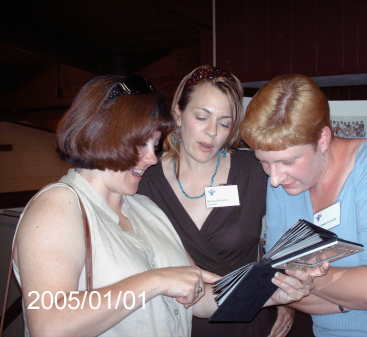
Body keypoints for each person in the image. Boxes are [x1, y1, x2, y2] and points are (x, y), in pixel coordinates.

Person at [12, 74, 324, 337]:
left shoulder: (145, 208)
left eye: (155, 144)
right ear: (104, 134)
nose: (151, 158)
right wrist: (154, 281)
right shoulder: (58, 206)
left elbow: (200, 299)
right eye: (141, 143)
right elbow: (47, 324)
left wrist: (271, 294)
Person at [240, 73, 367, 337]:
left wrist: (305, 276)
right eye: (265, 161)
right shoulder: (283, 184)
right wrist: (358, 294)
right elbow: (279, 287)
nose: (274, 178)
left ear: (323, 139)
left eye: (288, 161)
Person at [138, 65, 301, 337]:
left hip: (248, 321)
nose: (212, 132)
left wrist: (289, 301)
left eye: (224, 123)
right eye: (202, 117)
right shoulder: (146, 179)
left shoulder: (254, 170)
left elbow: (286, 241)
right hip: (175, 323)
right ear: (178, 114)